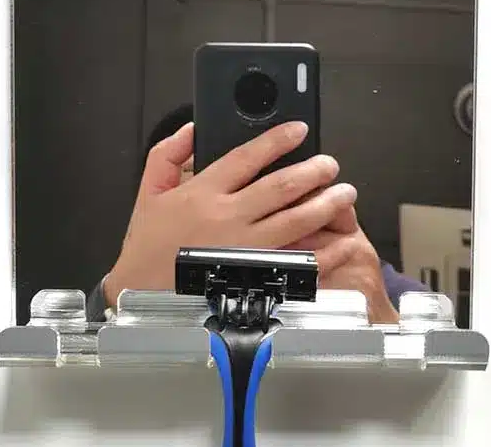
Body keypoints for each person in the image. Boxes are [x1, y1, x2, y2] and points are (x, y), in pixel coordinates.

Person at [87, 104, 425, 324]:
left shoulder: (368, 281)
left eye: (257, 174)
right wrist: (115, 298)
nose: (236, 198)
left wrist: (381, 320)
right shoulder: (140, 280)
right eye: (197, 173)